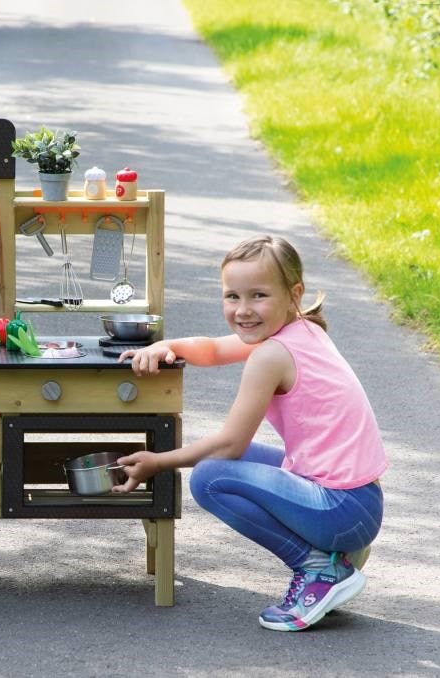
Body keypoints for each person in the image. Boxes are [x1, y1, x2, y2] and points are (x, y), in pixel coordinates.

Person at [115, 235, 387, 631]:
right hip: (358, 503)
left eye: (258, 295)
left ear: (293, 293)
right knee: (227, 464)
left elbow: (230, 443)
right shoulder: (301, 330)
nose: (243, 311)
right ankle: (334, 557)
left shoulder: (271, 355)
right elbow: (213, 349)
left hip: (341, 510)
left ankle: (320, 570)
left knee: (210, 476)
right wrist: (166, 345)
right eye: (232, 297)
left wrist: (160, 462)